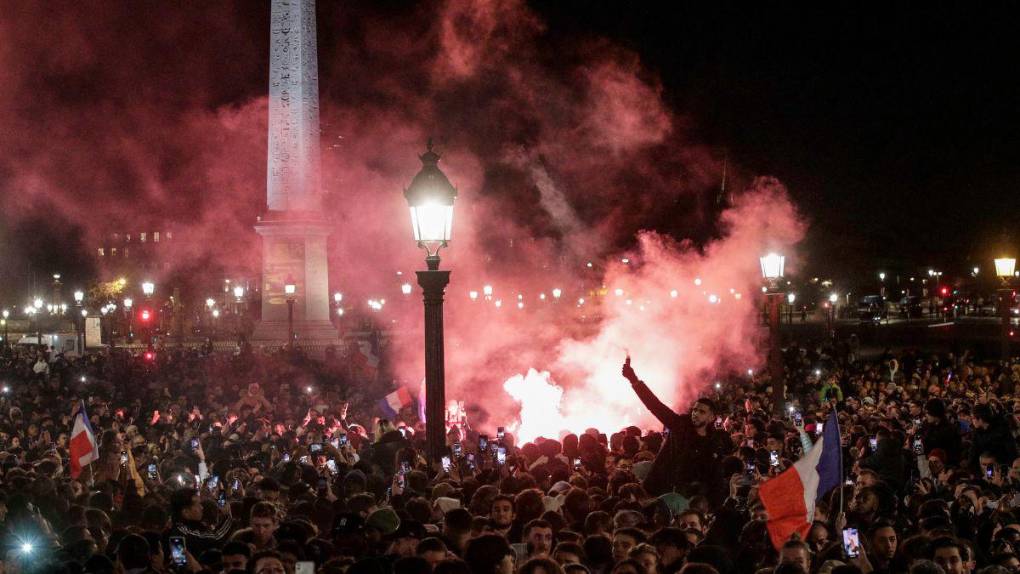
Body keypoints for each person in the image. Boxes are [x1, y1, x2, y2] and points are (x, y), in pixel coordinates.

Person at [622, 358, 732, 502]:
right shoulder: (680, 425)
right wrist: (634, 381)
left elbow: (714, 477)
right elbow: (655, 405)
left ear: (712, 417)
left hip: (689, 499)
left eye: (702, 412)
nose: (696, 414)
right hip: (659, 491)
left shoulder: (713, 442)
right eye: (695, 410)